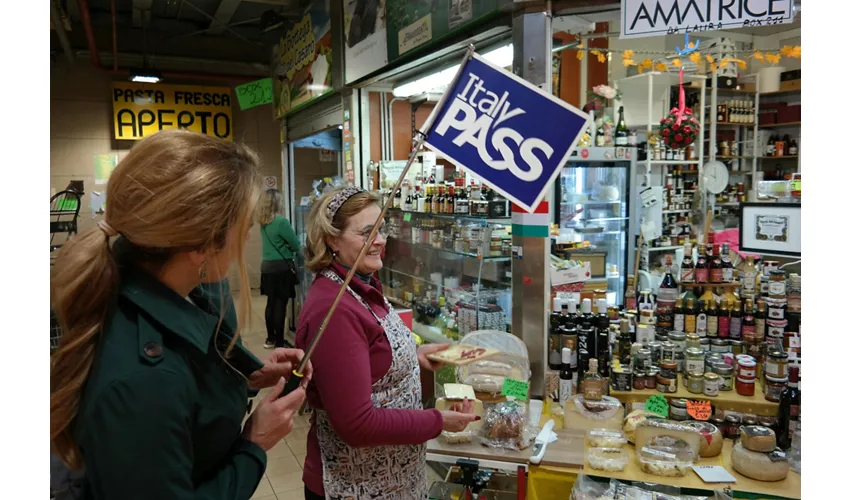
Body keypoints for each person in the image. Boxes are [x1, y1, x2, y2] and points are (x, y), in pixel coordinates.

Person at [49, 130, 313, 500]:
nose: (249, 235)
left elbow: (184, 396)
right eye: (244, 225)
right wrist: (255, 443)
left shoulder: (166, 290)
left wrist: (247, 376)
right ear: (202, 243)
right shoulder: (141, 379)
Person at [296, 186, 479, 499]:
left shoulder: (360, 284)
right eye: (367, 232)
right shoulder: (335, 307)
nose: (380, 241)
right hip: (356, 485)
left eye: (381, 229)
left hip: (394, 479)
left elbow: (369, 358)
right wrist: (437, 421)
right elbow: (356, 424)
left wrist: (413, 356)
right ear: (331, 239)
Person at [256, 188, 301, 349]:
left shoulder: (263, 223)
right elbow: (296, 244)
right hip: (282, 268)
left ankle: (270, 339)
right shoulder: (282, 222)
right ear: (277, 203)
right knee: (281, 304)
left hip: (267, 267)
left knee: (271, 302)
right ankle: (281, 342)